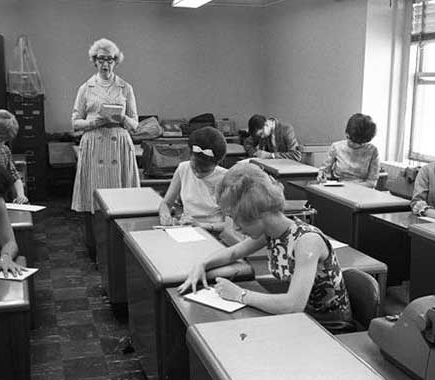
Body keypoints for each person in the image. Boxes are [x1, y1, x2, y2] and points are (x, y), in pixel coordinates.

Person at [178, 163, 352, 325]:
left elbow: (292, 305)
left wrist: (240, 294)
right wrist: (202, 264)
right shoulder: (271, 232)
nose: (236, 227)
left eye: (237, 219)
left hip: (328, 330)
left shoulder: (307, 242)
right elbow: (233, 253)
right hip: (301, 322)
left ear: (257, 213)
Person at [71, 38, 140, 215]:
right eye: (101, 59)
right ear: (94, 61)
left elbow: (134, 125)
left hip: (119, 146)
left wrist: (122, 117)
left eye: (110, 59)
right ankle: (97, 236)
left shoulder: (125, 88)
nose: (105, 63)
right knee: (96, 197)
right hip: (95, 144)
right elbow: (74, 122)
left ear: (116, 61)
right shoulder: (86, 88)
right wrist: (94, 122)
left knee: (122, 201)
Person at [159, 127, 228, 233]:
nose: (197, 174)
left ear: (217, 163)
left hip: (215, 234)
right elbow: (166, 204)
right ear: (190, 155)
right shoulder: (183, 168)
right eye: (194, 168)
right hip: (187, 230)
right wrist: (165, 216)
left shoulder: (227, 178)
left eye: (204, 171)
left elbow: (233, 226)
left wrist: (202, 226)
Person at [317, 113, 380, 188]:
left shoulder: (372, 151)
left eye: (358, 143)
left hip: (361, 191)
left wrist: (349, 187)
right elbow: (324, 170)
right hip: (337, 187)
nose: (352, 144)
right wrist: (322, 176)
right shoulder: (336, 147)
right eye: (349, 138)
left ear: (366, 140)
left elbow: (371, 182)